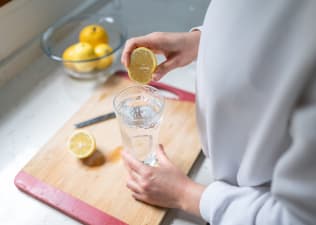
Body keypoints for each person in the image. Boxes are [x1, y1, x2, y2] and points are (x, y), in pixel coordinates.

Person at [120, 1, 316, 224]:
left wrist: (185, 194)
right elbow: (274, 28)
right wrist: (202, 40)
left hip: (251, 201)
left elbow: (299, 218)